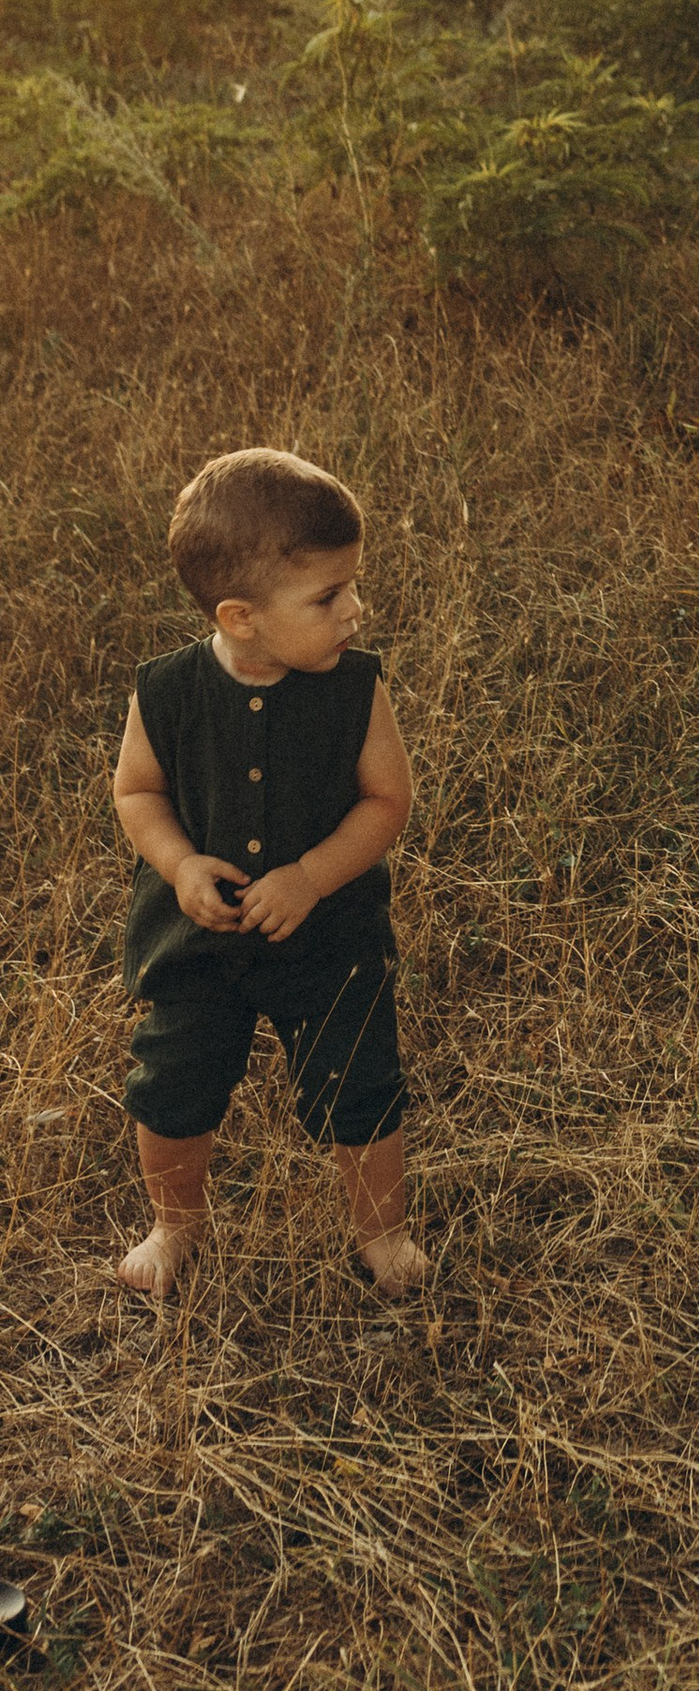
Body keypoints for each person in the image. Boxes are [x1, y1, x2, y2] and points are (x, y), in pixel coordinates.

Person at [112, 448, 424, 1301]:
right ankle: (174, 1225)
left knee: (360, 1084)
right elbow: (137, 792)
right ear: (240, 617)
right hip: (197, 938)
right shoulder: (166, 691)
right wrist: (179, 865)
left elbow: (387, 801)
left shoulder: (354, 689)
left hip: (329, 938)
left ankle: (382, 1233)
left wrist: (312, 878)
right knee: (171, 1087)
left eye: (352, 586)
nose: (354, 609)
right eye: (328, 596)